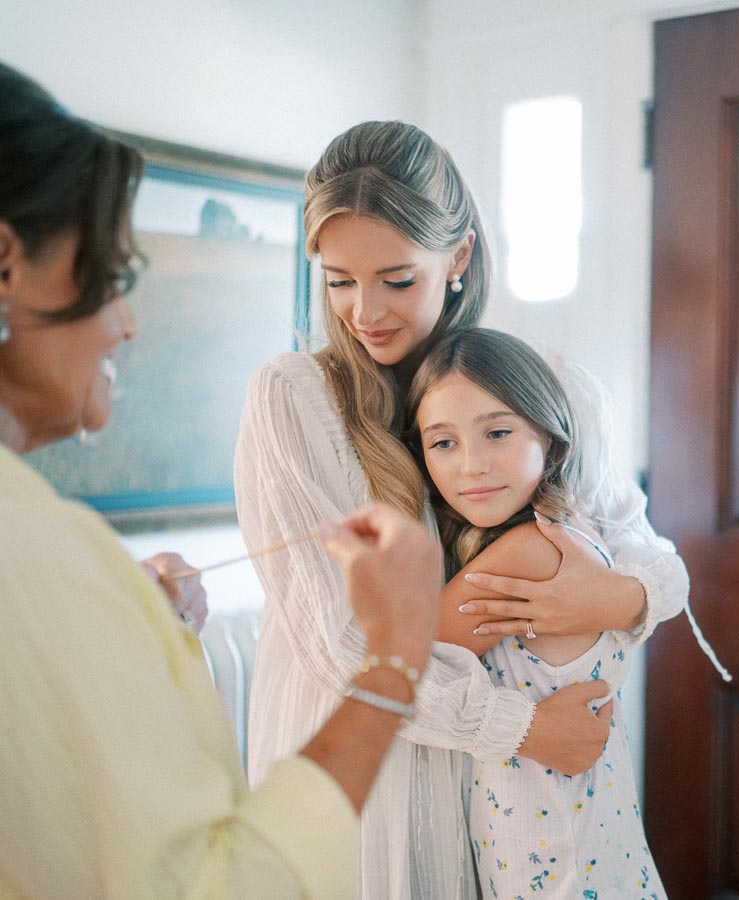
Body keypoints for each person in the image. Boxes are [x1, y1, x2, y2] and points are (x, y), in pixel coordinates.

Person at [0, 62, 444, 897]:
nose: (126, 324)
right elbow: (217, 883)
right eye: (113, 277)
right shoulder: (34, 556)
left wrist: (122, 611)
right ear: (5, 267)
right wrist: (393, 661)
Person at [235, 120, 691, 898]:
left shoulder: (549, 388)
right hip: (368, 762)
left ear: (460, 258)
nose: (363, 311)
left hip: (498, 783)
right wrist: (526, 729)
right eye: (338, 279)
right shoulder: (295, 399)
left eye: (396, 278)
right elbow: (338, 646)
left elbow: (656, 558)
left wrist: (614, 595)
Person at [406, 326, 666, 896]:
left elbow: (396, 674)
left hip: (549, 858)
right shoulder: (574, 534)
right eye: (442, 442)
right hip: (591, 838)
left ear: (548, 435)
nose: (471, 465)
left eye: (497, 432)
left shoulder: (527, 553)